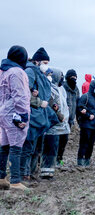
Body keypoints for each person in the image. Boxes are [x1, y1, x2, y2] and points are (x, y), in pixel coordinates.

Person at [21, 47, 57, 183]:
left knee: (37, 147)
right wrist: (38, 101)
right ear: (37, 61)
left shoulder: (41, 74)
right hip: (32, 114)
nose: (46, 65)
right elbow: (25, 93)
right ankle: (24, 175)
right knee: (28, 146)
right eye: (45, 62)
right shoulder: (30, 72)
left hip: (40, 114)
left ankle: (32, 173)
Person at [0, 46, 31, 191]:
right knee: (16, 147)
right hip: (14, 113)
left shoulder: (3, 71)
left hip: (3, 112)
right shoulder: (17, 72)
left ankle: (1, 177)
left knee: (4, 146)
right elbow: (20, 95)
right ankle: (15, 180)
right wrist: (23, 114)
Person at [41, 69, 70, 179]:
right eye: (60, 76)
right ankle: (45, 171)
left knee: (55, 147)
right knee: (49, 146)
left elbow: (63, 105)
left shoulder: (61, 89)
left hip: (61, 123)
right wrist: (58, 115)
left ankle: (50, 170)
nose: (62, 78)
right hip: (51, 123)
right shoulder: (49, 88)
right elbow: (52, 105)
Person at [76, 80, 95, 166]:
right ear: (92, 88)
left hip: (94, 125)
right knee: (84, 143)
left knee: (91, 144)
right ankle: (80, 160)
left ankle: (87, 159)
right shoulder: (85, 97)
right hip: (86, 125)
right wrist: (87, 115)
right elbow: (80, 109)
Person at [58, 69, 79, 165]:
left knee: (64, 140)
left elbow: (78, 102)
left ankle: (59, 158)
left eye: (75, 77)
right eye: (72, 77)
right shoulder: (63, 88)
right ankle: (54, 159)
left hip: (70, 120)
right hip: (61, 118)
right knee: (57, 140)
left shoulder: (76, 89)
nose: (73, 79)